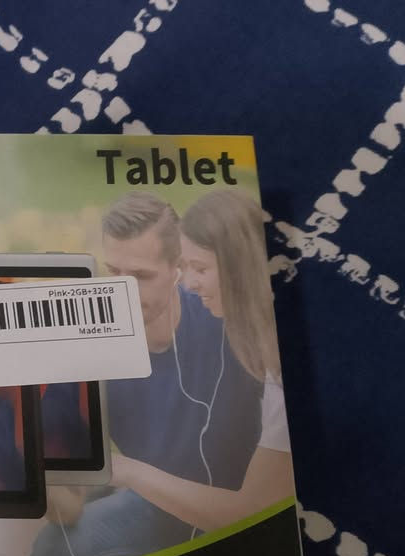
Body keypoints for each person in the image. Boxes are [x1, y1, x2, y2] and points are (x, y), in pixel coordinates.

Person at [27, 192, 262, 556]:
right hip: (155, 502)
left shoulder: (227, 322)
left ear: (178, 268)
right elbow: (66, 499)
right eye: (114, 272)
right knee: (58, 544)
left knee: (76, 544)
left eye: (140, 276)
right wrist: (49, 479)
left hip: (239, 511)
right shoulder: (92, 345)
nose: (122, 291)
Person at [109, 190, 293, 530]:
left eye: (200, 268)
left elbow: (252, 513)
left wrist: (130, 471)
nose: (189, 284)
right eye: (185, 267)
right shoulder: (265, 350)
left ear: (240, 268)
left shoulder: (278, 359)